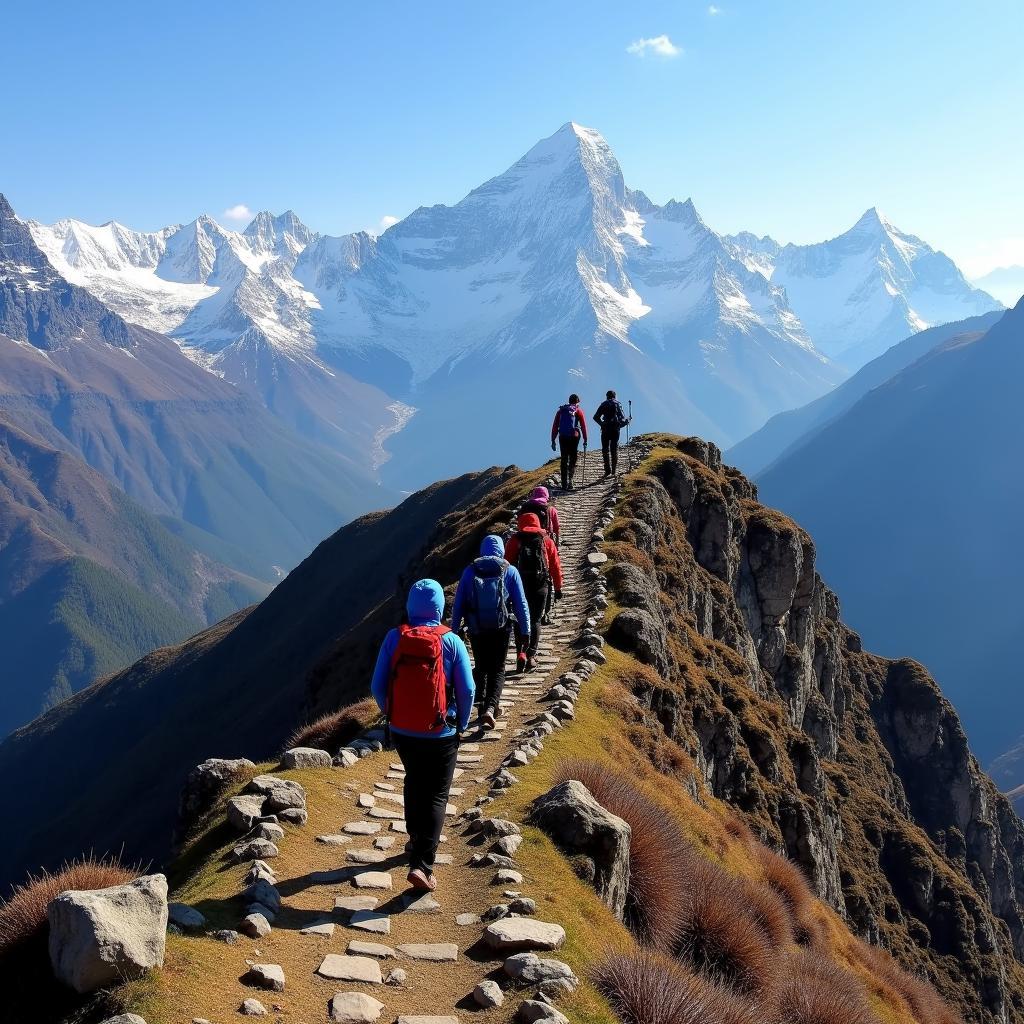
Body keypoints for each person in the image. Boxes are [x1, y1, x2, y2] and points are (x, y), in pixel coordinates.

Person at [370, 579, 474, 892]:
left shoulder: (393, 637)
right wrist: (462, 724)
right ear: (441, 607)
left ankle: (414, 839)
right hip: (440, 730)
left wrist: (394, 712)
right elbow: (467, 689)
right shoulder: (451, 641)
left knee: (414, 780)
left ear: (411, 606)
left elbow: (377, 685)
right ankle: (422, 865)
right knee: (437, 794)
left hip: (402, 730)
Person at [450, 535, 531, 730]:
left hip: (476, 628)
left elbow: (458, 603)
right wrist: (526, 630)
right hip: (501, 628)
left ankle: (480, 708)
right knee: (498, 668)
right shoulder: (510, 571)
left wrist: (454, 630)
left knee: (481, 666)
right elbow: (521, 603)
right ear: (501, 550)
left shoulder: (470, 571)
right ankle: (491, 707)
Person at [505, 512, 563, 672]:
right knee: (536, 620)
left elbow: (506, 566)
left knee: (519, 619)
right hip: (540, 586)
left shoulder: (515, 541)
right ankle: (531, 656)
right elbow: (555, 566)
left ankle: (520, 654)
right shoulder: (546, 541)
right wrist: (558, 587)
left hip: (519, 588)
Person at [520, 485, 561, 623]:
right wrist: (556, 544)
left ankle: (526, 613)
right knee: (547, 579)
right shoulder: (551, 510)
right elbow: (556, 529)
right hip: (545, 546)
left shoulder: (525, 508)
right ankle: (545, 613)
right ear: (547, 496)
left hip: (525, 548)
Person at [550, 394, 588, 490]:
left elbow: (555, 426)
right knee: (573, 457)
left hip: (562, 436)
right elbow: (583, 426)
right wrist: (585, 439)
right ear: (577, 401)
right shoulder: (578, 410)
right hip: (574, 436)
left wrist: (553, 440)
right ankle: (570, 480)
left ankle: (563, 484)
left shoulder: (561, 410)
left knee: (564, 459)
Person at [593, 390, 630, 477]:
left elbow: (595, 417)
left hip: (605, 429)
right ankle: (613, 471)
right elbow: (622, 418)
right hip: (615, 429)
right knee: (614, 448)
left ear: (607, 396)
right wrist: (628, 420)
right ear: (615, 396)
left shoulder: (603, 404)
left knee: (605, 449)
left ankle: (607, 471)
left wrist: (602, 424)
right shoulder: (617, 404)